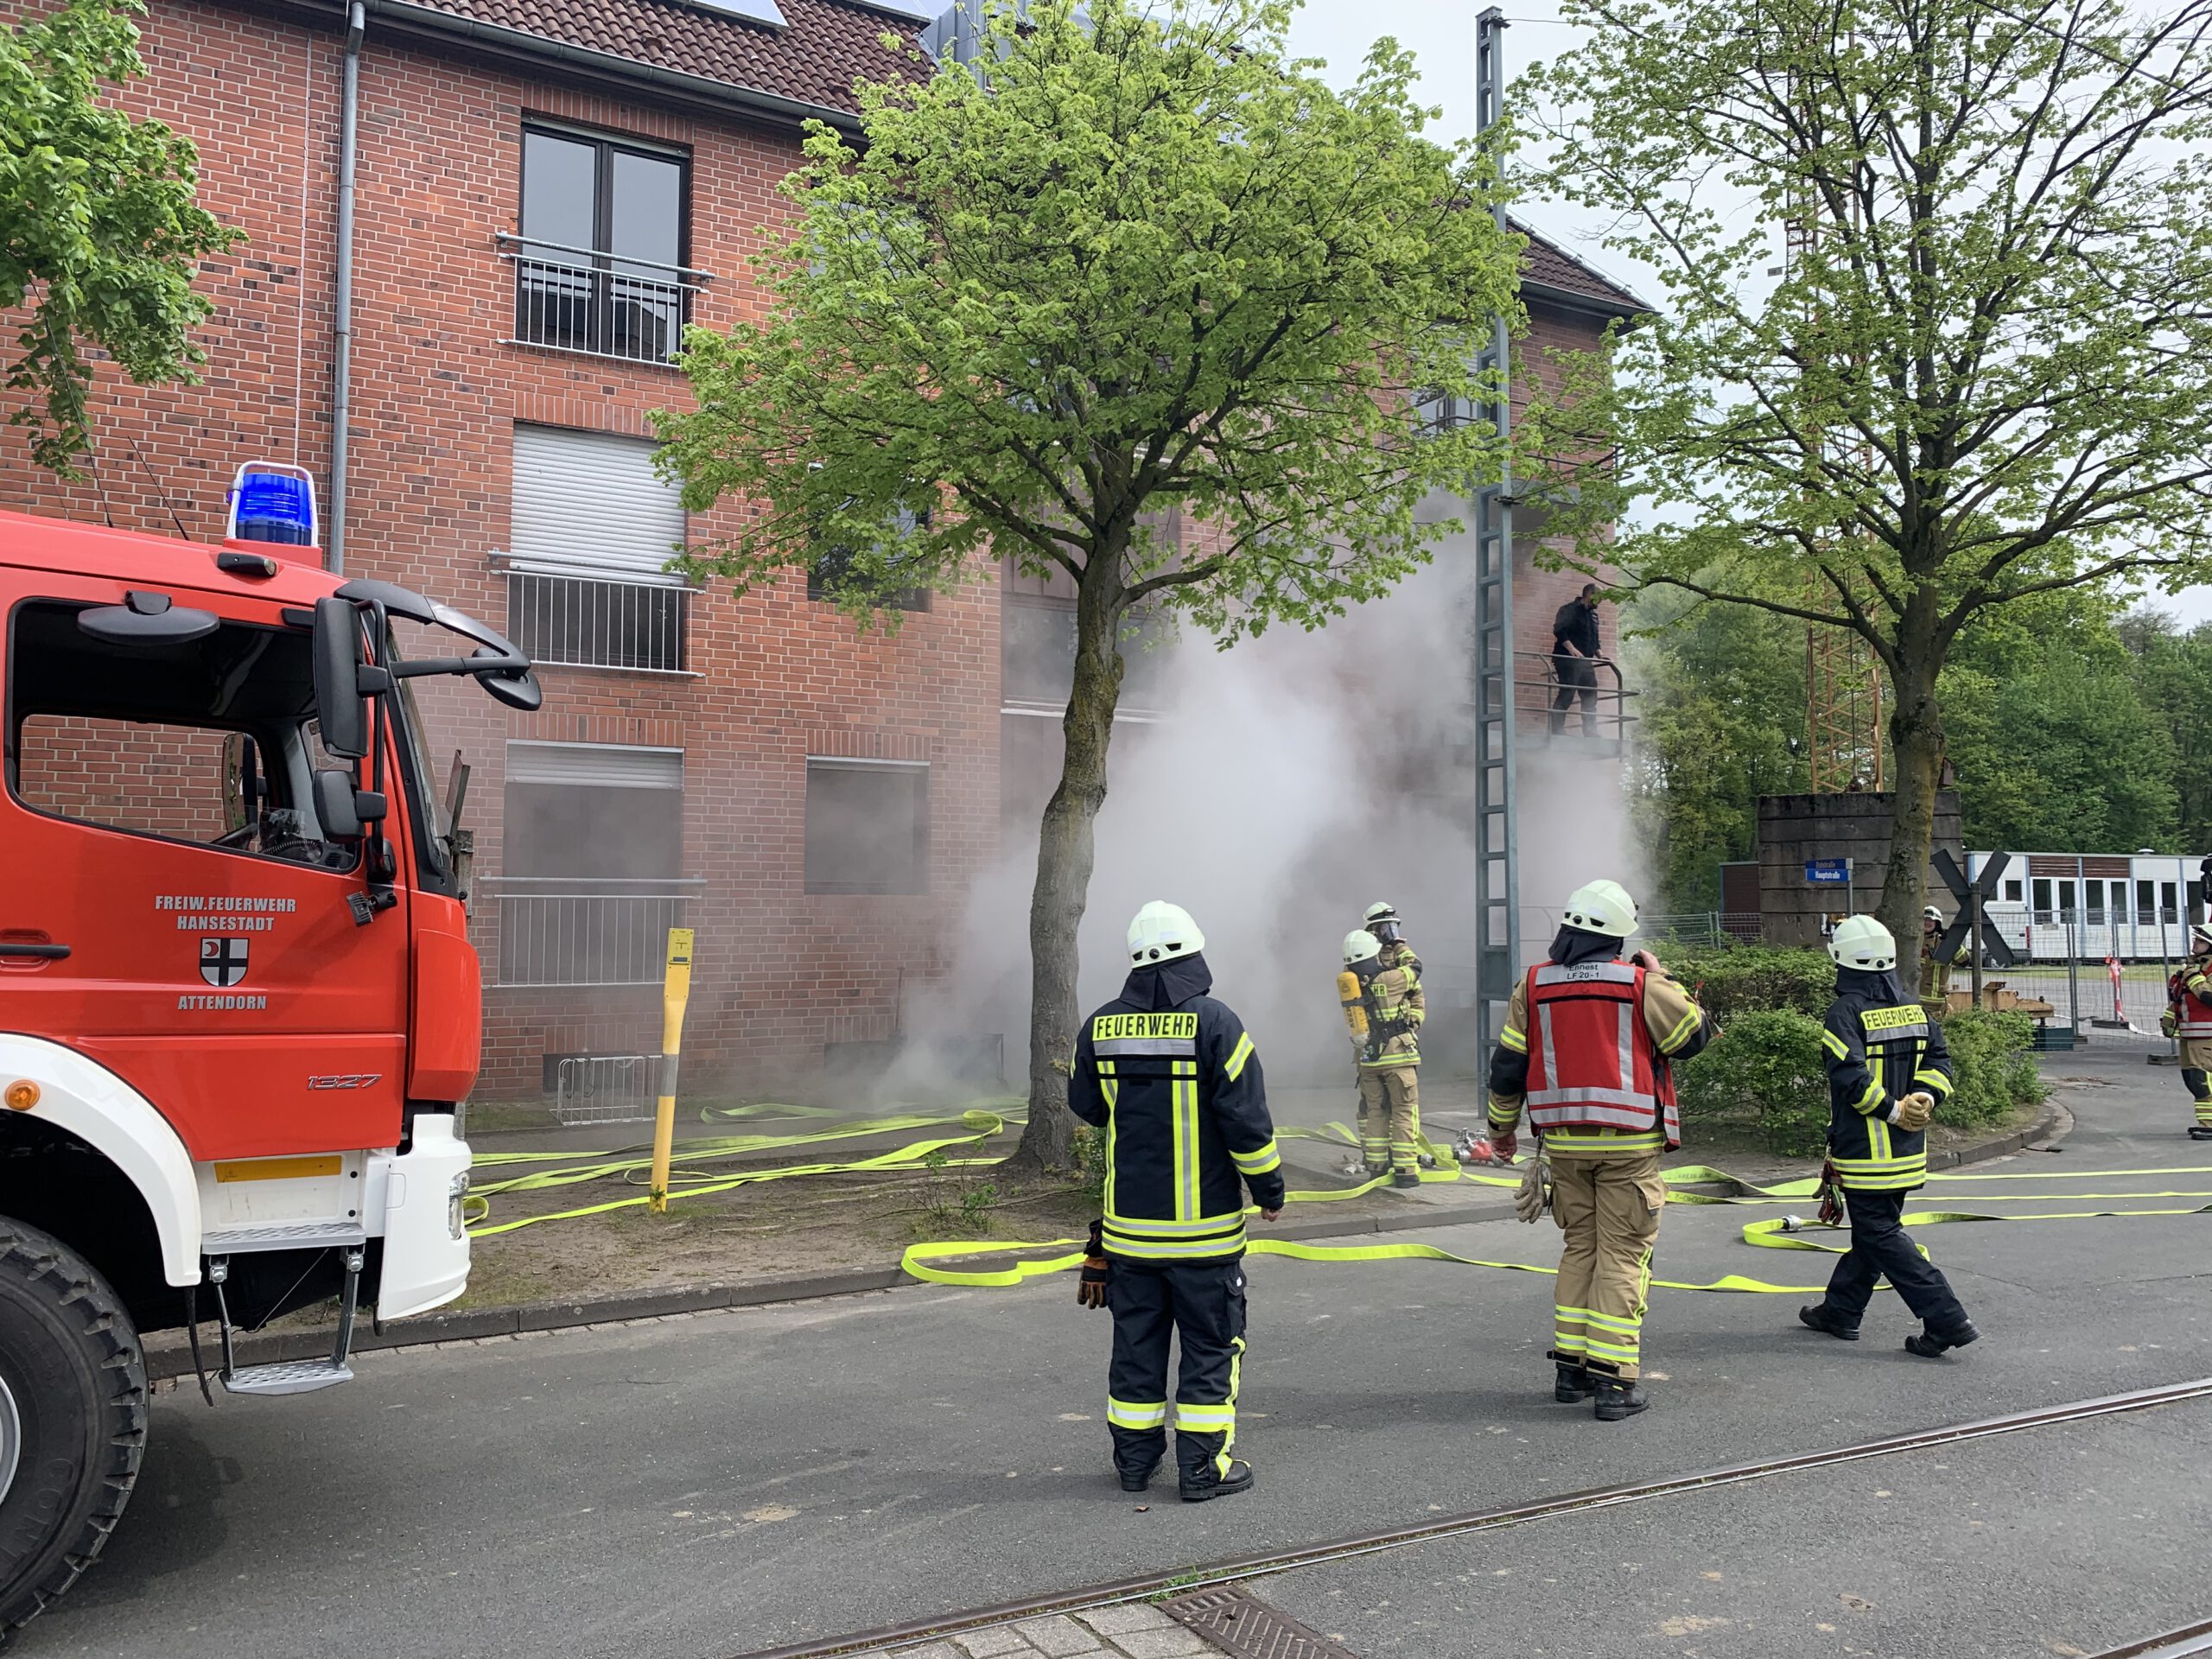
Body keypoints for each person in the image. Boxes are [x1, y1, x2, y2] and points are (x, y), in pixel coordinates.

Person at [1069, 899, 1285, 1502]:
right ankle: (1202, 1470)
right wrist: (1269, 1191)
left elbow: (1087, 1107)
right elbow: (1247, 1123)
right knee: (1212, 1349)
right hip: (1205, 1238)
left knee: (1136, 1349)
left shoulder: (1101, 1026)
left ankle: (1134, 1466)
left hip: (1128, 1238)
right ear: (1194, 956)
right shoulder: (1218, 1024)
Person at [1484, 880, 1712, 1420]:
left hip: (1563, 1148)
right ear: (1618, 937)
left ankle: (1571, 1370)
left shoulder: (1533, 985)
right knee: (1623, 1256)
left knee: (1580, 1249)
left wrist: (1501, 1130)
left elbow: (1507, 1067)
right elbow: (1694, 1037)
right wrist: (1663, 977)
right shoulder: (1639, 985)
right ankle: (1613, 1382)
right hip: (1628, 1148)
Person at [1798, 915, 1981, 1357]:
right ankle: (1841, 1311)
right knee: (1872, 1234)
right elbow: (1940, 1061)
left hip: (1865, 1151)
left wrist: (1895, 1110)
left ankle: (1946, 1319)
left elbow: (1849, 1077)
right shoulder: (1912, 1007)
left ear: (1840, 959)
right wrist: (1925, 1098)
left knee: (1881, 1234)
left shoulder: (1845, 1011)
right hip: (1907, 1151)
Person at [1339, 929, 1425, 1185]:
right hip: (1397, 1056)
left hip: (1367, 1057)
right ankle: (1406, 1172)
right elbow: (1415, 968)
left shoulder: (1350, 983)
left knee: (1376, 1111)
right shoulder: (1390, 979)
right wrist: (1397, 944)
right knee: (1403, 1111)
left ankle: (1376, 1166)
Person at [2160, 921, 2212, 1140]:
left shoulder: (2199, 972)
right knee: (2193, 1079)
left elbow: (2208, 997)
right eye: (2195, 939)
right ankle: (2206, 1122)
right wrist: (2169, 1019)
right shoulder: (2194, 968)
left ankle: (2209, 1123)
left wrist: (2193, 978)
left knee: (2203, 1080)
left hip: (2206, 1035)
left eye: (2200, 940)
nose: (2195, 943)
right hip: (2191, 1034)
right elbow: (2180, 998)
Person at [1550, 583, 1604, 736]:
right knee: (1567, 693)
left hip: (1585, 661)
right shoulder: (1568, 609)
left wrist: (1600, 654)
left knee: (1590, 695)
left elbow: (1594, 638)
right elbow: (1559, 630)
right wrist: (1572, 649)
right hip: (1566, 660)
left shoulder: (1593, 615)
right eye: (1599, 596)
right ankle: (1557, 730)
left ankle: (1590, 732)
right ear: (1589, 593)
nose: (1601, 601)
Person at [1917, 904, 1966, 1009]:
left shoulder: (1943, 942)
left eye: (1931, 920)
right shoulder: (1914, 942)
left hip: (1937, 1002)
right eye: (1925, 919)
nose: (1927, 923)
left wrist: (1953, 942)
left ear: (1937, 923)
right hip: (1915, 999)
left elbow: (1964, 961)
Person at [1363, 899, 1422, 977]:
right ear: (1370, 930)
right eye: (1383, 928)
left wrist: (1399, 947)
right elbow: (1415, 968)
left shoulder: (1398, 953)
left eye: (1392, 927)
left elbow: (1413, 977)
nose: (1388, 933)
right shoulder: (1362, 953)